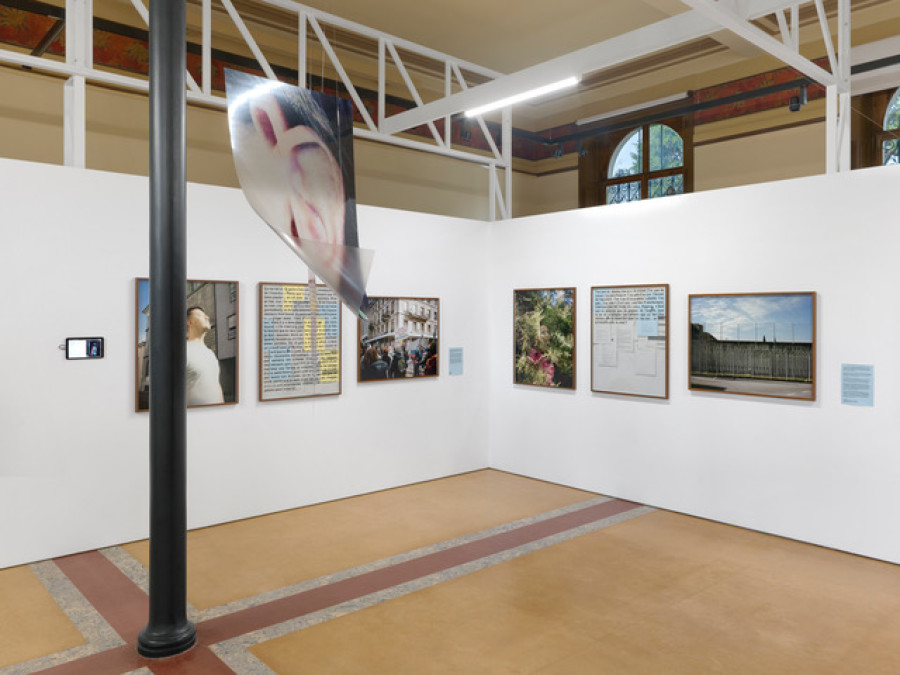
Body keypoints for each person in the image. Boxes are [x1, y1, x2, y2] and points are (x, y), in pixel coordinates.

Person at [186, 306, 225, 406]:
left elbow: (217, 385)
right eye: (201, 315)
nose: (207, 318)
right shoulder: (181, 351)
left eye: (206, 316)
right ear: (189, 322)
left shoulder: (211, 354)